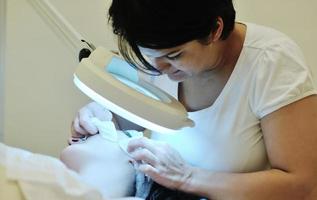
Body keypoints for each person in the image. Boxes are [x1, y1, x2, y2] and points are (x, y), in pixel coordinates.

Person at [61, 0, 317, 199]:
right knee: (78, 158)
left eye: (174, 56)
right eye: (149, 54)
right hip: (159, 185)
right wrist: (103, 117)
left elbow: (303, 187)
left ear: (215, 30)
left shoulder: (271, 62)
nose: (159, 68)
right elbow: (139, 118)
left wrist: (186, 178)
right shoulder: (158, 56)